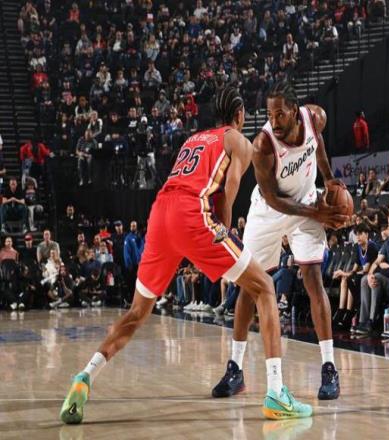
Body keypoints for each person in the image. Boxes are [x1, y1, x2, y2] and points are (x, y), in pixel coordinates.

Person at [60, 86, 315, 425]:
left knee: (137, 312)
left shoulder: (193, 139)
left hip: (160, 214)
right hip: (191, 214)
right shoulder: (238, 140)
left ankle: (85, 376)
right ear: (240, 115)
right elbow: (229, 191)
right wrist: (225, 233)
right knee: (265, 287)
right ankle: (277, 394)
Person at [213, 82, 348, 402]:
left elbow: (318, 144)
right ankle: (235, 368)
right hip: (269, 211)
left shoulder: (315, 118)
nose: (273, 121)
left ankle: (329, 367)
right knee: (249, 286)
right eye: (269, 115)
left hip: (307, 202)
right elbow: (274, 199)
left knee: (313, 279)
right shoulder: (262, 145)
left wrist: (328, 178)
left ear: (295, 112)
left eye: (280, 114)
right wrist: (316, 212)